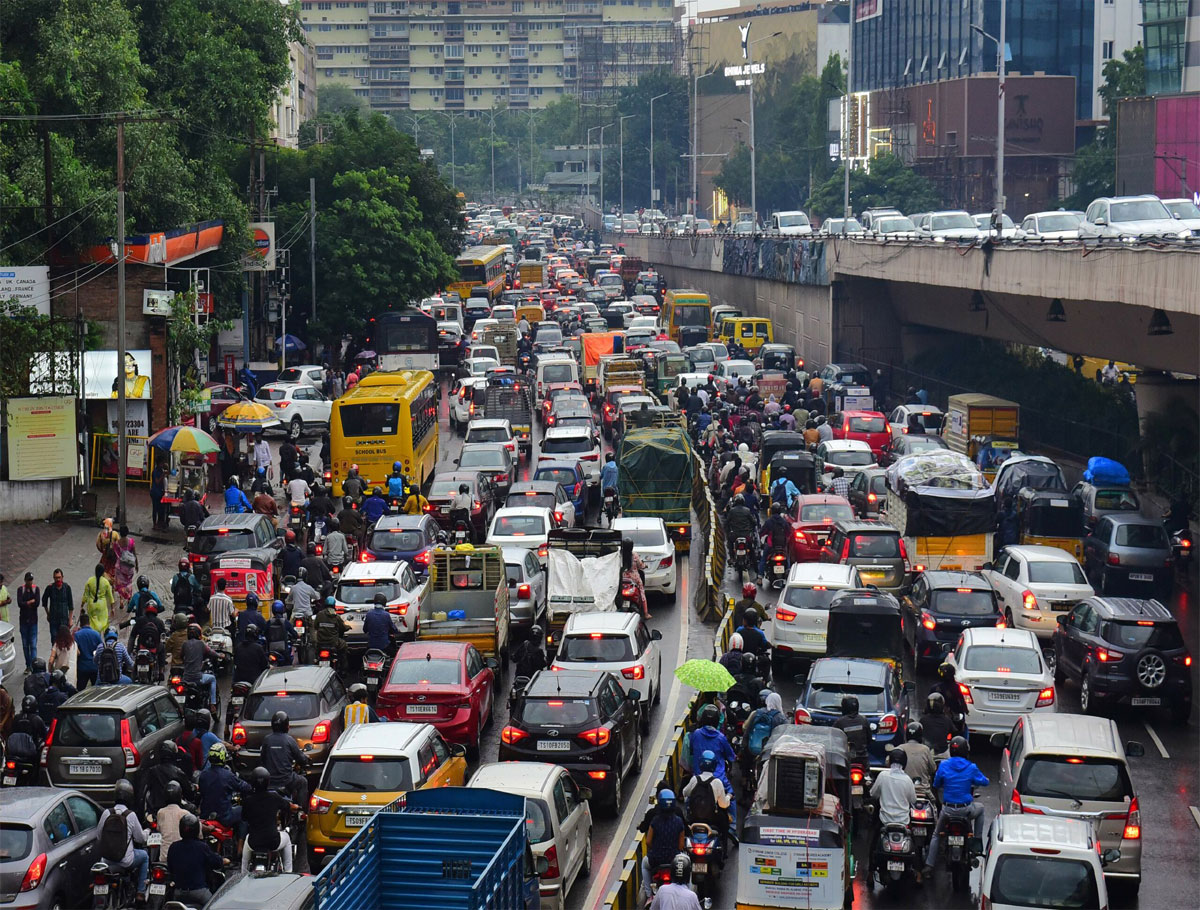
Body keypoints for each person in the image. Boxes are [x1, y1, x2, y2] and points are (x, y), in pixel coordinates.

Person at [923, 736, 989, 878]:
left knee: (936, 835)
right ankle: (977, 844)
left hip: (947, 811)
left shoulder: (944, 765)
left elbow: (936, 783)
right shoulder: (971, 767)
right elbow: (984, 782)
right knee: (981, 808)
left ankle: (929, 866)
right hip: (966, 810)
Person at [688, 705, 738, 835]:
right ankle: (732, 828)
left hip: (698, 776)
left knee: (688, 799)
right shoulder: (721, 738)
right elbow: (731, 757)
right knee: (731, 797)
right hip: (719, 778)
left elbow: (692, 751)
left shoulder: (696, 734)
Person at [98, 779, 149, 902]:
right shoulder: (130, 815)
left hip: (106, 860)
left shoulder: (106, 813)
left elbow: (99, 836)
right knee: (145, 856)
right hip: (126, 861)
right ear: (130, 797)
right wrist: (147, 832)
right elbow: (140, 838)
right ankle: (140, 892)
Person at [241, 766, 295, 873]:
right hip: (273, 842)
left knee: (245, 852)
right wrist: (296, 807)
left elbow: (244, 818)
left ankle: (243, 874)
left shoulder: (248, 801)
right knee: (287, 838)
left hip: (254, 842)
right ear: (267, 781)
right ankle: (289, 872)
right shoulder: (274, 797)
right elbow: (288, 806)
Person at [870, 749, 919, 863]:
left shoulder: (883, 776)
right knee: (914, 843)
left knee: (873, 841)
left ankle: (870, 872)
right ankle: (918, 871)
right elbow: (913, 800)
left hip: (885, 821)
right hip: (903, 822)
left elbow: (873, 794)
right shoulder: (907, 780)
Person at [640, 789, 688, 904]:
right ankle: (688, 891)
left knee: (644, 864)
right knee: (687, 868)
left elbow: (648, 841)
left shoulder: (655, 821)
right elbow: (681, 845)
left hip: (656, 859)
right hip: (674, 860)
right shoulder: (678, 821)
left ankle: (649, 895)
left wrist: (656, 849)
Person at [167, 813, 225, 906]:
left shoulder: (173, 847)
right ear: (197, 830)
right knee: (215, 906)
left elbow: (170, 868)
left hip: (178, 893)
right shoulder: (202, 847)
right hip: (199, 893)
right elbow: (216, 862)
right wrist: (223, 861)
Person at [682, 750, 731, 856]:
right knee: (724, 821)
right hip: (712, 819)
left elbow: (685, 793)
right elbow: (723, 804)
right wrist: (729, 797)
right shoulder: (717, 782)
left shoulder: (694, 779)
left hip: (693, 818)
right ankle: (724, 851)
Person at [198, 743, 251, 832]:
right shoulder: (227, 775)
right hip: (224, 817)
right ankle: (240, 844)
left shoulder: (203, 775)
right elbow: (244, 787)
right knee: (244, 812)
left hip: (205, 815)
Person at [262, 711, 311, 805]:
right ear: (286, 726)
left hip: (269, 781)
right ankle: (300, 811)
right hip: (286, 780)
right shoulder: (289, 740)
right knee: (303, 782)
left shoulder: (266, 740)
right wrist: (305, 760)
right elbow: (301, 758)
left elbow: (262, 760)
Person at [181, 623, 219, 713]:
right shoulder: (201, 644)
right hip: (197, 678)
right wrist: (220, 655)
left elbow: (181, 656)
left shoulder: (185, 644)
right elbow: (211, 653)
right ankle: (213, 704)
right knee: (213, 679)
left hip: (185, 678)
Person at [742, 690, 787, 765]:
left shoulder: (756, 713)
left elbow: (746, 729)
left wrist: (743, 747)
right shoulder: (781, 718)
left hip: (752, 749)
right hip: (769, 751)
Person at [757, 504, 792, 584]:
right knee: (787, 558)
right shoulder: (784, 521)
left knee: (763, 558)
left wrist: (760, 540)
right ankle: (789, 575)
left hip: (771, 545)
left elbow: (762, 533)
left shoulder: (769, 522)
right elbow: (788, 533)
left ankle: (760, 577)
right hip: (782, 546)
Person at [895, 721, 938, 787]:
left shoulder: (900, 748)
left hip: (903, 788)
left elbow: (889, 763)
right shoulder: (925, 749)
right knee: (934, 797)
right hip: (923, 788)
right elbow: (933, 768)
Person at [931, 662, 970, 732]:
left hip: (944, 717)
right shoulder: (956, 687)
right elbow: (962, 701)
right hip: (953, 717)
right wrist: (966, 711)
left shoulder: (935, 688)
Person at [154, 779, 190, 856]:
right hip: (181, 857)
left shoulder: (160, 812)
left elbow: (159, 829)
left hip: (164, 857)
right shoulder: (185, 814)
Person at [832, 694, 872, 763]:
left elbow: (833, 740)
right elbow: (869, 739)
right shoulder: (864, 720)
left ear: (844, 707)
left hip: (845, 760)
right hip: (862, 759)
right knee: (867, 773)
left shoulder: (839, 722)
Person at [314, 596, 349, 666]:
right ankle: (343, 670)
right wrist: (348, 627)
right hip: (333, 643)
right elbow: (343, 627)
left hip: (320, 642)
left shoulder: (319, 615)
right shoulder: (336, 616)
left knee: (316, 653)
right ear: (334, 605)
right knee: (344, 646)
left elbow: (315, 626)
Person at [41, 568, 73, 641]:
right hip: (53, 620)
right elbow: (44, 601)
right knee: (54, 639)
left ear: (62, 577)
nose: (58, 579)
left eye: (59, 577)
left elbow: (71, 605)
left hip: (64, 620)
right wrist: (48, 614)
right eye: (56, 578)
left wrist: (70, 619)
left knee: (64, 640)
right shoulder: (50, 588)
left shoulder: (67, 588)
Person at [16, 572, 40, 672]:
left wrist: (27, 603)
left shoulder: (36, 589)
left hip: (33, 621)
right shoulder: (20, 590)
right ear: (25, 580)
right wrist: (29, 602)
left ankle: (34, 666)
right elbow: (20, 603)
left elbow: (37, 603)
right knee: (25, 645)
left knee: (33, 645)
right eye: (28, 580)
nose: (30, 582)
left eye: (31, 580)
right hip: (24, 622)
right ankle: (28, 665)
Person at [73, 612, 103, 688]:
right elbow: (102, 649)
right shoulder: (96, 634)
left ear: (80, 624)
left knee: (80, 691)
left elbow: (74, 651)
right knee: (95, 690)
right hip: (94, 667)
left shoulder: (77, 635)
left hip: (82, 668)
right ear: (89, 622)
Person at [112, 525, 138, 607]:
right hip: (129, 567)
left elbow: (115, 555)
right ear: (127, 532)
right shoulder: (131, 542)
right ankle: (129, 598)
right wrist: (137, 564)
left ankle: (121, 600)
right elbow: (134, 554)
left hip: (120, 567)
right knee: (128, 583)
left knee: (120, 584)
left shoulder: (116, 544)